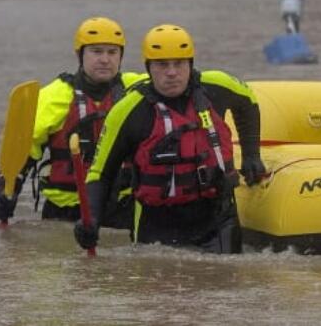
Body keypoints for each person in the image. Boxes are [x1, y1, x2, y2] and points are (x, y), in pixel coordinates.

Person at [73, 24, 267, 254]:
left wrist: (252, 154)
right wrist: (91, 219)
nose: (172, 73)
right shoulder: (128, 110)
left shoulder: (217, 86)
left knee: (224, 282)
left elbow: (249, 103)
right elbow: (100, 173)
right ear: (148, 67)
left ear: (190, 64)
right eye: (162, 65)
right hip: (155, 225)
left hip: (217, 220)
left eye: (179, 64)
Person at [0, 16, 144, 228]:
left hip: (121, 207)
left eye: (112, 52)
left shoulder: (137, 89)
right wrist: (7, 190)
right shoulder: (54, 96)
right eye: (96, 51)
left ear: (121, 56)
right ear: (79, 54)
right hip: (66, 210)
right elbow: (26, 150)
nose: (105, 59)